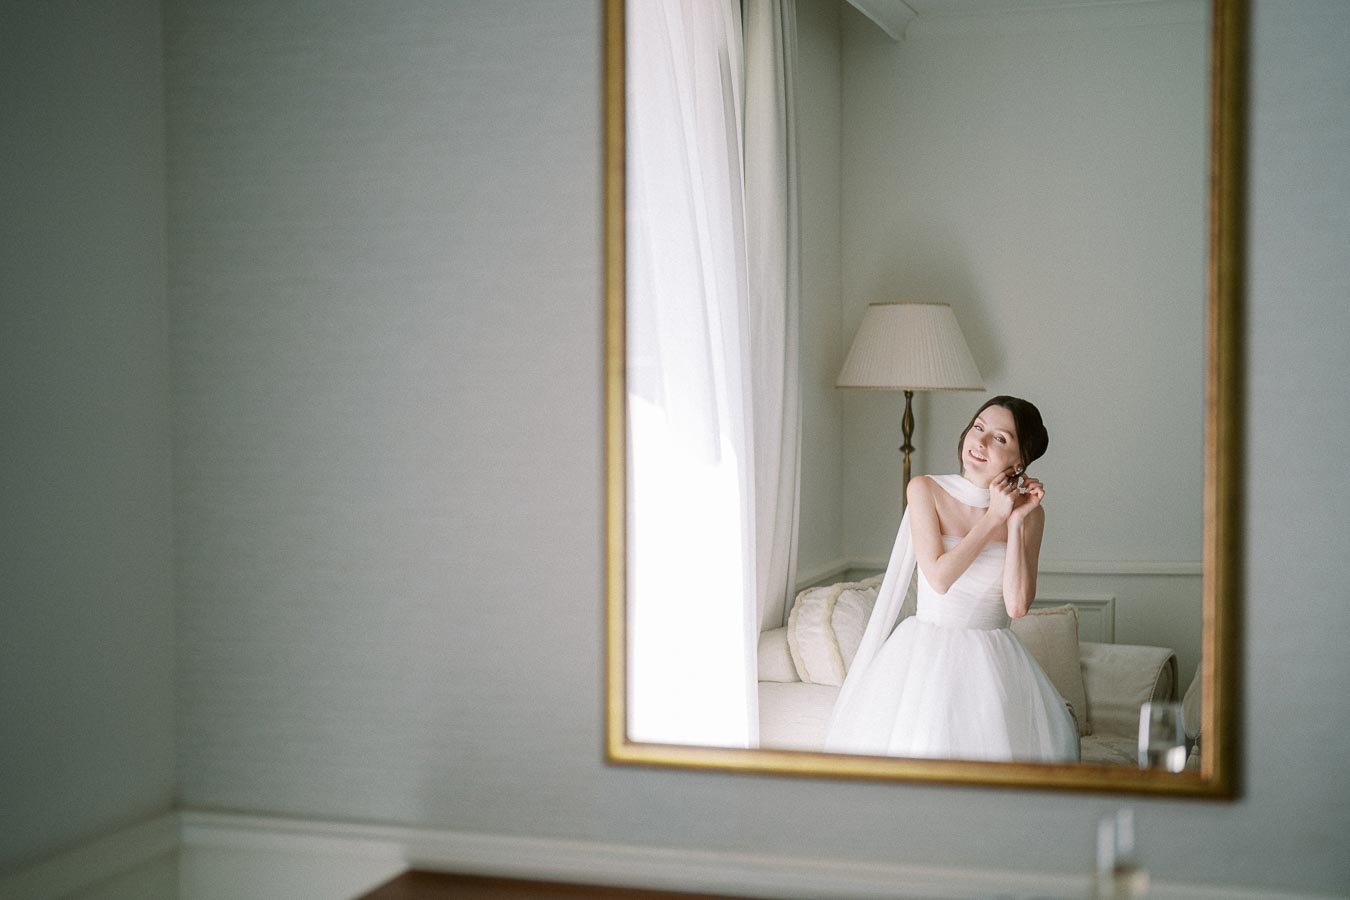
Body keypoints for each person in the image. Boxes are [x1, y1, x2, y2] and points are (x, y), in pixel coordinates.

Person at [823, 396, 1079, 762]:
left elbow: (1017, 606)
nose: (982, 441)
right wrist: (994, 518)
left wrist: (1017, 521)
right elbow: (940, 577)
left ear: (1019, 462)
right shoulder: (925, 489)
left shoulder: (1030, 515)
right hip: (926, 656)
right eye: (978, 427)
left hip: (995, 662)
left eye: (1001, 438)